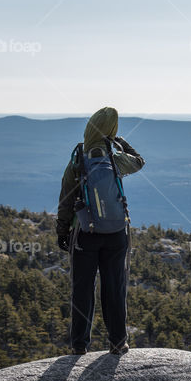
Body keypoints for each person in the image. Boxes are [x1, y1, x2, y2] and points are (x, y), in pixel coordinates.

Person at [56, 107, 145, 355]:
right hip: (116, 233)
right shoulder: (114, 158)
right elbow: (140, 162)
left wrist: (62, 231)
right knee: (114, 287)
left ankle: (79, 345)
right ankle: (118, 342)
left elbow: (65, 199)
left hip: (85, 233)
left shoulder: (78, 160)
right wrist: (121, 142)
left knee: (82, 289)